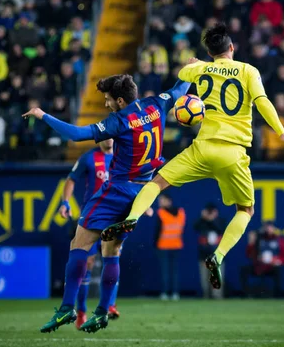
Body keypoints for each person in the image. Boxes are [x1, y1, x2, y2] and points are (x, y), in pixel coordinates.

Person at [101, 23, 284, 292]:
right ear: (232, 48)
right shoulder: (249, 70)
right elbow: (262, 102)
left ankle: (133, 217)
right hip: (233, 152)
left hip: (202, 147)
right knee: (246, 210)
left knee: (157, 183)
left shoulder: (200, 68)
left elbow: (183, 70)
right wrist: (282, 132)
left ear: (209, 51)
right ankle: (218, 255)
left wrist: (196, 62)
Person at [23, 75, 190, 333]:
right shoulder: (158, 104)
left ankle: (67, 308)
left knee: (78, 244)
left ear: (120, 100)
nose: (106, 104)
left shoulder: (119, 121)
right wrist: (195, 68)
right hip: (143, 192)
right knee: (111, 251)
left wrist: (42, 114)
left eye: (108, 99)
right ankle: (102, 310)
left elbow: (77, 134)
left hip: (117, 191)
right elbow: (181, 87)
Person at [58, 139, 120, 328]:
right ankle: (82, 310)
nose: (109, 139)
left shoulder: (123, 155)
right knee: (88, 263)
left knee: (114, 255)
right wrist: (65, 202)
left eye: (112, 136)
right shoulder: (89, 158)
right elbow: (71, 179)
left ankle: (110, 305)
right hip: (92, 216)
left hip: (115, 215)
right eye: (106, 136)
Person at [241, 223, 284, 298]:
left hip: (272, 266)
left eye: (271, 228)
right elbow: (250, 255)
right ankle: (246, 294)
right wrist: (251, 243)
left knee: (278, 270)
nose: (269, 230)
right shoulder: (259, 239)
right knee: (244, 269)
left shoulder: (279, 240)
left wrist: (278, 261)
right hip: (259, 265)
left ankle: (277, 294)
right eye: (267, 228)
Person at [155, 194, 185, 301]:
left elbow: (157, 231)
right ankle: (175, 293)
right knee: (174, 271)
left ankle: (165, 293)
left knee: (166, 271)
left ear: (168, 201)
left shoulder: (161, 213)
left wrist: (155, 244)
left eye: (162, 200)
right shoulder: (181, 212)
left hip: (163, 245)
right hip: (177, 244)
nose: (160, 203)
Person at [194, 203, 226, 299]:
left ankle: (217, 297)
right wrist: (203, 218)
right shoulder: (202, 222)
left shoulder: (221, 221)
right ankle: (206, 296)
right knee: (204, 279)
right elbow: (195, 227)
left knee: (217, 278)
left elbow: (221, 229)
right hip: (204, 255)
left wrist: (212, 219)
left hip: (217, 256)